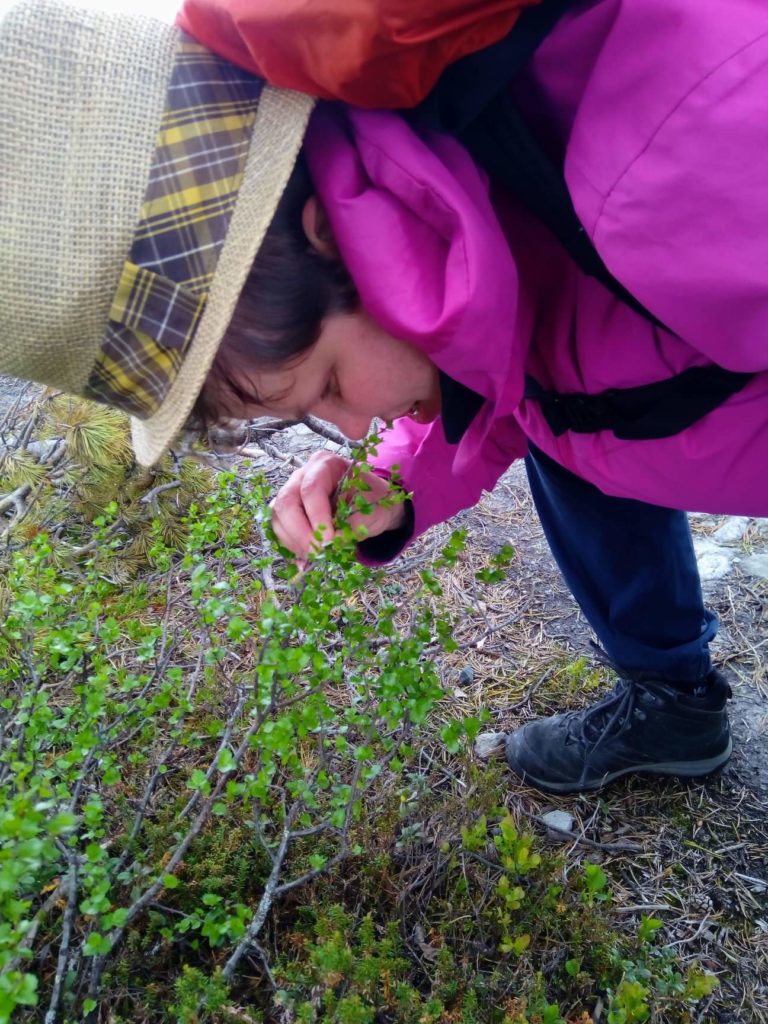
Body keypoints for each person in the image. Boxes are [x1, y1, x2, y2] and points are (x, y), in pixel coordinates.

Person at [2, 0, 766, 795]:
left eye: (328, 384)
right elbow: (512, 354)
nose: (358, 427)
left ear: (329, 233)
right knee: (558, 428)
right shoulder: (466, 166)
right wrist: (394, 488)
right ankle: (673, 702)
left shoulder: (691, 155)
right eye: (307, 414)